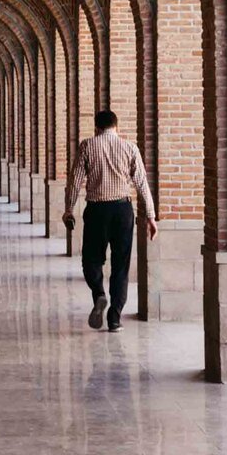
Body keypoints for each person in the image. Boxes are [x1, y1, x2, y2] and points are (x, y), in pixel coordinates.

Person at [62, 109, 157, 331]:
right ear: (117, 127)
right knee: (120, 265)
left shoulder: (88, 145)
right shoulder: (130, 147)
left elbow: (75, 180)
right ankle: (114, 318)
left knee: (91, 260)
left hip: (97, 211)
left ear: (96, 128)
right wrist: (151, 216)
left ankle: (99, 294)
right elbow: (142, 183)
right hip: (123, 210)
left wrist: (69, 209)